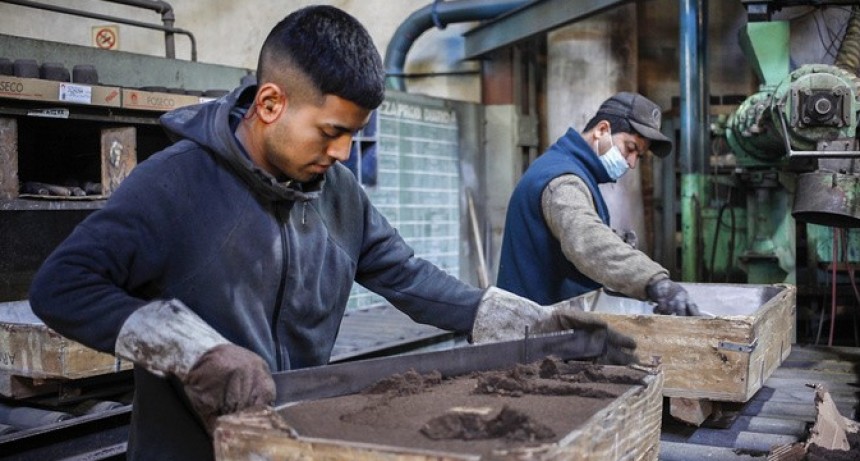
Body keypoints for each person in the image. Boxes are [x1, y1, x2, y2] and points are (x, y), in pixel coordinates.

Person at [28, 6, 635, 461]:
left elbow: (410, 278)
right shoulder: (174, 185)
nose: (343, 153)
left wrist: (532, 324)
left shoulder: (337, 195)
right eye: (330, 131)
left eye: (353, 134)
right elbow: (61, 286)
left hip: (292, 442)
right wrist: (195, 352)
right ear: (270, 103)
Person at [496, 91, 701, 317]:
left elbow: (564, 238)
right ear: (602, 130)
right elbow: (586, 241)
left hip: (547, 325)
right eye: (630, 148)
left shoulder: (569, 169)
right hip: (531, 333)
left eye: (638, 157)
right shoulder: (563, 181)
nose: (632, 163)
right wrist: (654, 281)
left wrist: (613, 239)